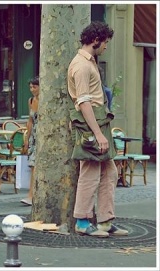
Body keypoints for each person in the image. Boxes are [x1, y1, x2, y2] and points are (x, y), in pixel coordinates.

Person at [67, 21, 128, 237]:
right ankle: (82, 222)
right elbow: (83, 102)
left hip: (98, 122)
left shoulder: (89, 62)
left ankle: (104, 220)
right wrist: (98, 134)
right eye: (105, 43)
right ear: (96, 40)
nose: (105, 47)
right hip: (91, 125)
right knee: (90, 172)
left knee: (109, 171)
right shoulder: (81, 65)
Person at [21, 76, 39, 206]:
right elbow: (30, 120)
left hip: (42, 135)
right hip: (34, 135)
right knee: (32, 164)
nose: (32, 89)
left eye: (35, 86)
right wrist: (26, 138)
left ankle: (32, 195)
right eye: (31, 87)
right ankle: (31, 195)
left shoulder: (45, 101)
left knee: (36, 165)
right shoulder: (31, 100)